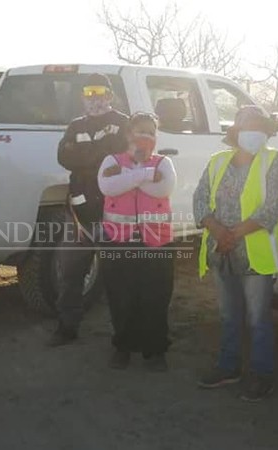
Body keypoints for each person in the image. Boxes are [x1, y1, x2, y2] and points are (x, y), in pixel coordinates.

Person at [193, 106, 278, 402]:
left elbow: (274, 205)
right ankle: (228, 367)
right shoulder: (217, 161)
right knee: (228, 315)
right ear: (236, 129)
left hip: (254, 254)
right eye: (249, 124)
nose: (255, 130)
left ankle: (262, 374)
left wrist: (231, 234)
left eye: (260, 125)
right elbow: (200, 199)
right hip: (220, 250)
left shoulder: (274, 161)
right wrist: (217, 231)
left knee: (258, 318)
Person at [51, 73, 129, 346]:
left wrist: (83, 157)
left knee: (117, 278)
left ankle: (123, 337)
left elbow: (119, 158)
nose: (94, 99)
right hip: (79, 214)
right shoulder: (75, 126)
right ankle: (66, 328)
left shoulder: (123, 123)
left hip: (113, 212)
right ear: (82, 97)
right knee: (71, 274)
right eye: (89, 94)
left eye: (99, 93)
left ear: (110, 95)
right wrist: (98, 155)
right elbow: (64, 157)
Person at [97, 112, 177, 371]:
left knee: (155, 297)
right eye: (140, 130)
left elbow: (162, 189)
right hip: (119, 242)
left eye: (151, 132)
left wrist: (130, 175)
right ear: (128, 134)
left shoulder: (164, 162)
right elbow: (108, 187)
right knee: (121, 296)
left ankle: (155, 351)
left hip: (157, 243)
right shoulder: (111, 160)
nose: (146, 136)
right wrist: (143, 174)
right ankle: (123, 347)